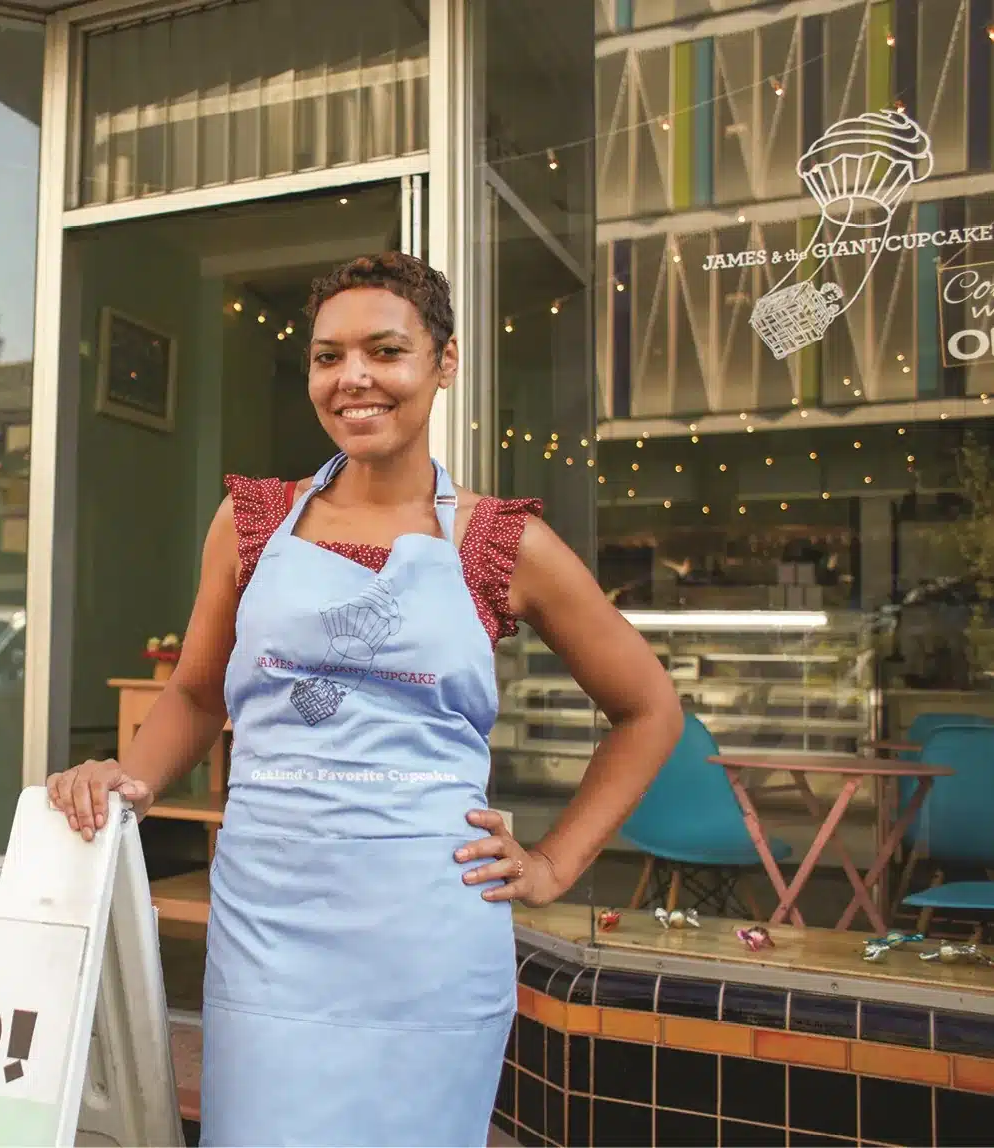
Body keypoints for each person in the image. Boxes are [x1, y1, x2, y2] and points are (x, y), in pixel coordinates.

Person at [47, 252, 683, 1147]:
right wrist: (134, 782)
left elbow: (649, 710)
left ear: (443, 363)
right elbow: (196, 691)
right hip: (271, 921)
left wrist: (551, 866)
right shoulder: (253, 520)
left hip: (429, 928)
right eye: (326, 356)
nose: (353, 379)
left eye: (385, 351)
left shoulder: (501, 540)